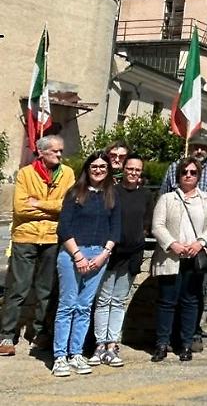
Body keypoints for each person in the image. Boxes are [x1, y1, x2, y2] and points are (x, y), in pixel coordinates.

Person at [0, 135, 76, 357]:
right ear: (42, 152)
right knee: (18, 289)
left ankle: (41, 333)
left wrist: (39, 203)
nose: (60, 155)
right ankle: (6, 335)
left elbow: (69, 205)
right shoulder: (25, 173)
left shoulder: (68, 174)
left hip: (52, 238)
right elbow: (21, 209)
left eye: (61, 151)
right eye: (55, 151)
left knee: (47, 290)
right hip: (26, 237)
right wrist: (53, 208)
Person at [52, 153, 121, 377]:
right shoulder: (75, 193)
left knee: (84, 307)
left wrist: (104, 254)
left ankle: (76, 354)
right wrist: (78, 256)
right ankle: (60, 356)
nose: (98, 170)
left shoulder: (112, 195)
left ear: (108, 170)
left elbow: (115, 228)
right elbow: (64, 228)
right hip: (73, 253)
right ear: (87, 168)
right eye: (94, 166)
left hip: (99, 254)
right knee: (67, 305)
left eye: (103, 166)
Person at [161, 128, 207, 353]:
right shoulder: (175, 168)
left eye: (204, 147)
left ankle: (193, 333)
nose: (200, 150)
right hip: (175, 241)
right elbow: (163, 196)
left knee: (198, 290)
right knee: (172, 291)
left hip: (202, 243)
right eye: (196, 146)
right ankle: (172, 335)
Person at [150, 156, 207, 364]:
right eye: (185, 172)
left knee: (190, 301)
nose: (188, 176)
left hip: (195, 256)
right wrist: (173, 244)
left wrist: (200, 243)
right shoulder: (167, 198)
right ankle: (162, 343)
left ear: (198, 176)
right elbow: (157, 226)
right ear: (178, 175)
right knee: (166, 301)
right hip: (171, 257)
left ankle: (186, 344)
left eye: (193, 172)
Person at [91, 154, 152, 367]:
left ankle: (112, 344)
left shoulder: (145, 195)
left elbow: (146, 224)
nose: (133, 173)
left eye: (137, 170)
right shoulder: (112, 192)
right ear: (123, 169)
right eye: (130, 169)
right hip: (111, 253)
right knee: (103, 300)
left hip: (132, 254)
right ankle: (99, 344)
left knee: (118, 301)